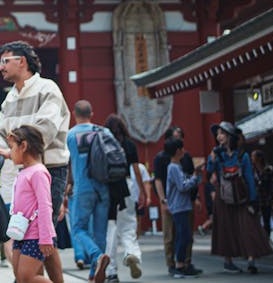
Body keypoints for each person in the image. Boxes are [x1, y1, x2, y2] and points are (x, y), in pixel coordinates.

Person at [0, 40, 70, 273]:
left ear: (22, 61)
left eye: (5, 61)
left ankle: (28, 278)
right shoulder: (10, 97)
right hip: (25, 169)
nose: (0, 67)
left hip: (48, 169)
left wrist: (9, 152)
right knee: (35, 234)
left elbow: (44, 131)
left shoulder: (47, 89)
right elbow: (0, 130)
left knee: (39, 233)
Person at [206, 120, 272, 274]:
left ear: (230, 136)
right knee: (225, 227)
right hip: (224, 195)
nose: (219, 136)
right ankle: (228, 261)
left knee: (248, 225)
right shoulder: (218, 153)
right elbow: (210, 170)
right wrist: (212, 157)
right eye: (218, 134)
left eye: (222, 133)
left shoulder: (243, 155)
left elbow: (249, 177)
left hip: (242, 195)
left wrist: (253, 199)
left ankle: (251, 260)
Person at [66, 100, 111, 283]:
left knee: (78, 228)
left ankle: (96, 256)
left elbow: (68, 164)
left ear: (74, 114)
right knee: (100, 232)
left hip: (83, 187)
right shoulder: (104, 132)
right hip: (103, 187)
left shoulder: (70, 135)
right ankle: (94, 273)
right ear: (92, 113)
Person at [6, 125, 56, 283]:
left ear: (24, 146)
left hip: (35, 235)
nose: (10, 152)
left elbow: (45, 205)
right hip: (21, 233)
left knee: (27, 278)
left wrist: (46, 237)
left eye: (12, 147)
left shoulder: (38, 172)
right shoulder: (24, 172)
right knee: (20, 277)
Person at [152, 126, 199, 275]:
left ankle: (186, 262)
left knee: (186, 234)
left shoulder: (186, 157)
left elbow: (189, 175)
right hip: (171, 200)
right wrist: (162, 200)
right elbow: (158, 180)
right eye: (176, 137)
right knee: (170, 235)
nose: (179, 140)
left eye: (180, 136)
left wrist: (195, 197)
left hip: (185, 201)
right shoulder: (162, 159)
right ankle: (173, 264)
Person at [103, 114, 143, 281]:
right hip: (127, 186)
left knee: (111, 230)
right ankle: (131, 253)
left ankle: (111, 271)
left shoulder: (104, 143)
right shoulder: (129, 144)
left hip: (109, 188)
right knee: (128, 225)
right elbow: (136, 169)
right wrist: (142, 192)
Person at [164, 137, 202, 279]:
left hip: (181, 206)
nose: (184, 151)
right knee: (183, 236)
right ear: (178, 150)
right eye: (182, 148)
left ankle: (181, 265)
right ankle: (180, 265)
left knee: (184, 235)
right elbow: (182, 186)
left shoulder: (175, 166)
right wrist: (195, 176)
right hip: (179, 206)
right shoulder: (174, 167)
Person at [252, 150, 273, 238]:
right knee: (255, 220)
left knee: (266, 220)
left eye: (253, 156)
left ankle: (266, 239)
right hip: (256, 199)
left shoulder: (268, 170)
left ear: (259, 158)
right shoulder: (253, 170)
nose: (252, 158)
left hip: (266, 199)